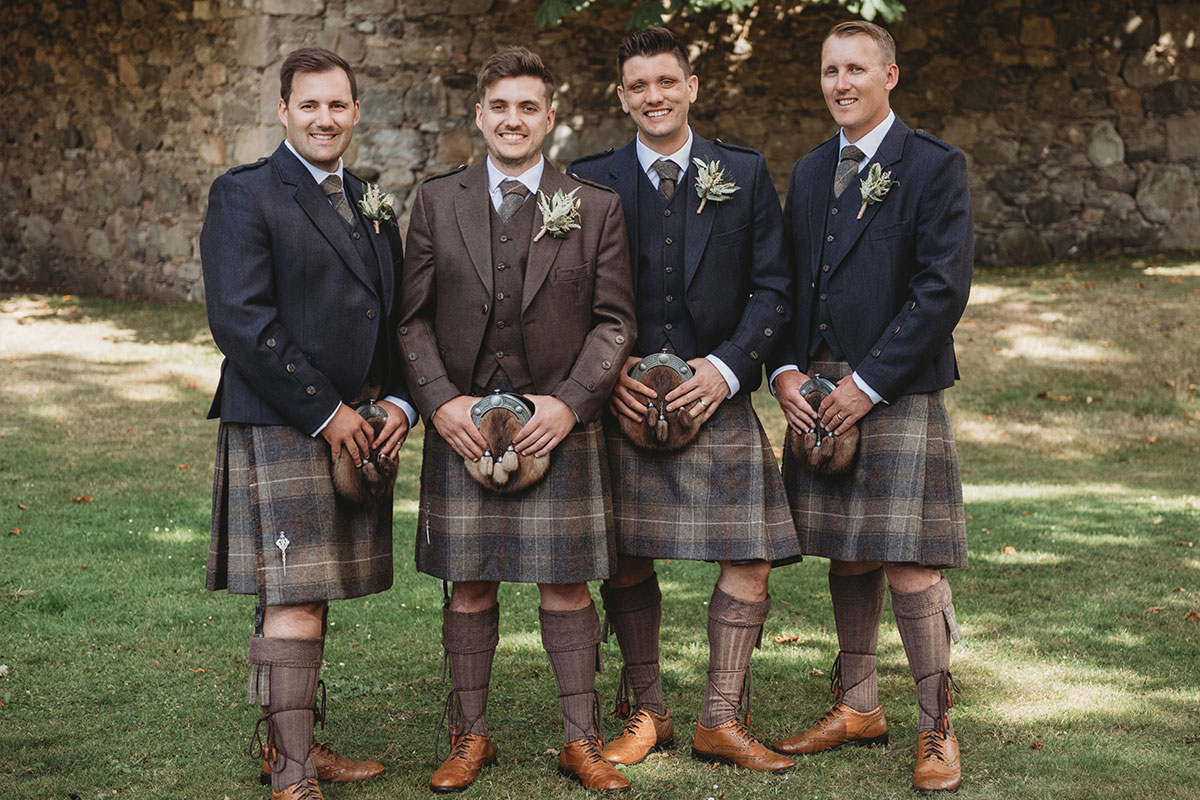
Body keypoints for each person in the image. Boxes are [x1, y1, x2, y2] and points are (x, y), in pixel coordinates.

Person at [396, 47, 637, 794]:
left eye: (528, 107)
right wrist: (441, 403)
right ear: (479, 115)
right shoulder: (437, 201)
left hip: (556, 424)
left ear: (550, 117)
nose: (512, 119)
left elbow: (615, 323)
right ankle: (469, 737)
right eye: (499, 106)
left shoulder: (594, 205)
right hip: (465, 424)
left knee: (566, 586)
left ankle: (582, 741)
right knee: (469, 587)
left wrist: (570, 403)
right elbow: (411, 320)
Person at [570, 27, 797, 774]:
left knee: (752, 556)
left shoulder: (744, 171)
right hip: (625, 399)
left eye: (666, 81)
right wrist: (609, 375)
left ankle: (721, 719)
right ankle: (649, 711)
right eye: (638, 85)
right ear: (622, 96)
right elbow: (567, 296)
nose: (654, 96)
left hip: (716, 397)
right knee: (625, 557)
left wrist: (726, 369)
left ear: (692, 86)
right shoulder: (590, 181)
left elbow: (774, 288)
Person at [200, 47, 414, 800]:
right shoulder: (245, 193)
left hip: (356, 422)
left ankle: (296, 746)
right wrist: (328, 413)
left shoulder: (369, 199)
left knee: (309, 592)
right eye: (309, 104)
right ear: (283, 111)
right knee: (291, 595)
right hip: (283, 420)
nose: (325, 118)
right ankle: (291, 775)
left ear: (356, 112)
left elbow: (394, 319)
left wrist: (399, 402)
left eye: (337, 105)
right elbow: (241, 321)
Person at [768, 20, 973, 794]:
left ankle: (936, 727)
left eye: (856, 69)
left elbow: (941, 291)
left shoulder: (934, 165)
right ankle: (857, 706)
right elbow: (788, 285)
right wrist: (786, 372)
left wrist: (868, 385)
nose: (841, 83)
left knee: (911, 559)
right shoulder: (811, 171)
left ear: (890, 75)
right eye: (830, 70)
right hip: (819, 390)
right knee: (847, 551)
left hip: (895, 386)